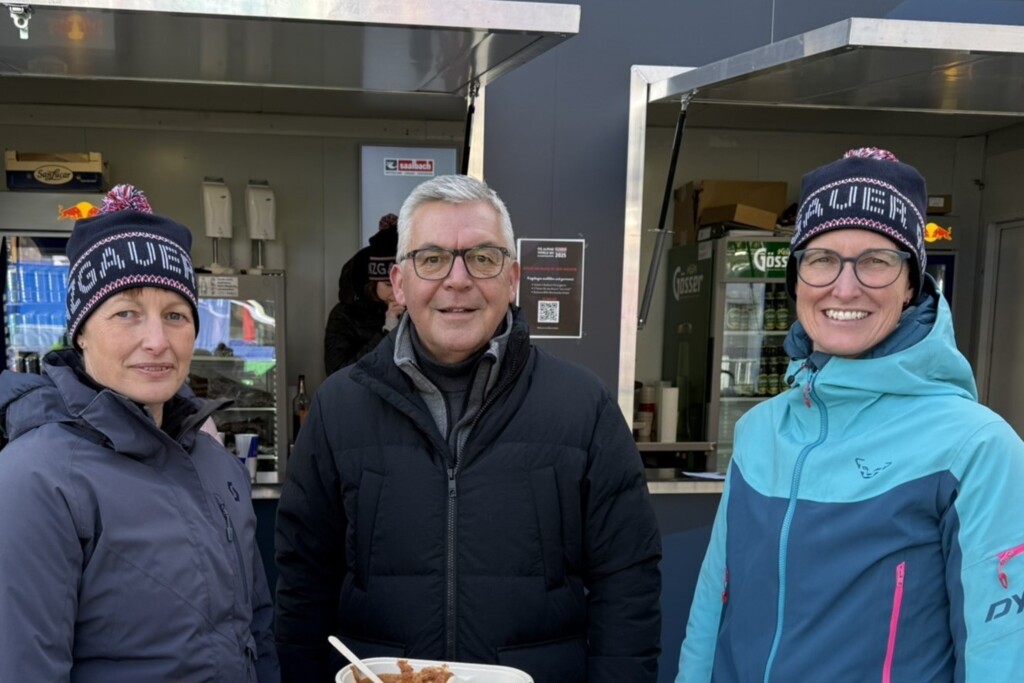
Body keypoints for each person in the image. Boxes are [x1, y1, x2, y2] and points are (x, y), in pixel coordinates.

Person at [276, 174, 662, 682]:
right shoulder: (338, 409)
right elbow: (303, 583)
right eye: (432, 258)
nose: (457, 280)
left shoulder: (582, 407)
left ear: (512, 277)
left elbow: (627, 582)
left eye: (482, 258)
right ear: (399, 282)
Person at [676, 148, 1024, 682]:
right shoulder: (760, 430)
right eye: (821, 259)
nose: (844, 286)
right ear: (796, 279)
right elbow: (710, 610)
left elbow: (1001, 652)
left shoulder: (976, 448)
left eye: (876, 261)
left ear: (912, 284)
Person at [0, 185, 279, 682]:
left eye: (175, 315)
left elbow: (255, 629)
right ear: (81, 330)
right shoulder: (35, 479)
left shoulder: (214, 462)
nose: (157, 341)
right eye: (126, 312)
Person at [323, 217, 404, 375]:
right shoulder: (344, 315)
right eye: (388, 285)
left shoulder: (414, 308)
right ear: (372, 284)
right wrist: (387, 331)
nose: (396, 292)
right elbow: (337, 373)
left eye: (402, 284)